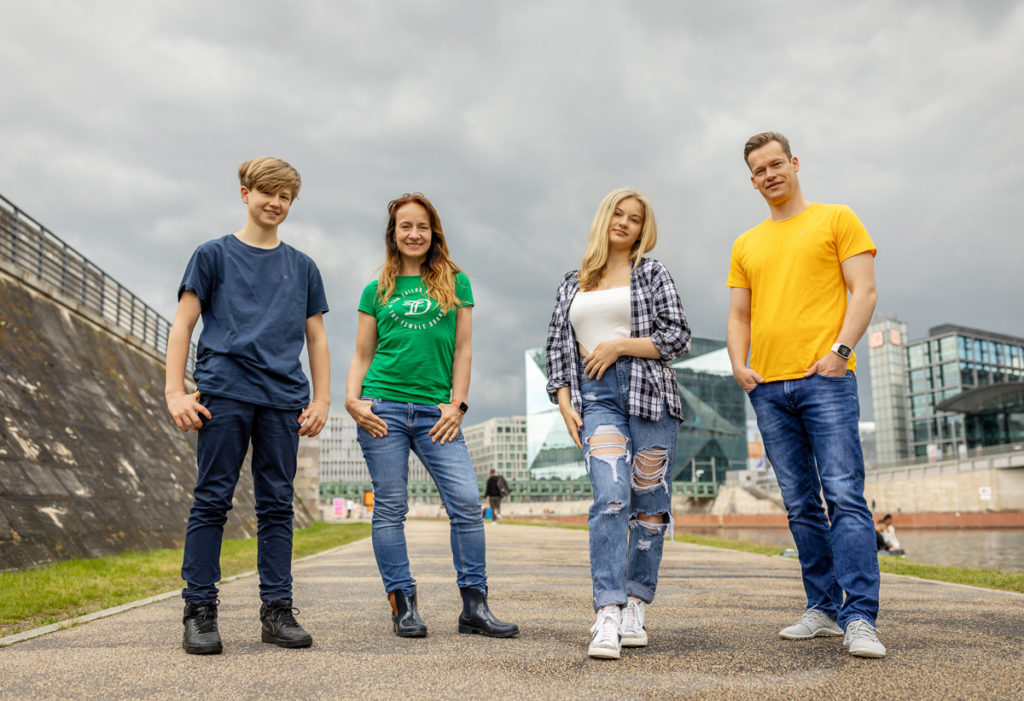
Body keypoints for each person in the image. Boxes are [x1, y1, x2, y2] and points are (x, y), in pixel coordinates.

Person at [726, 131, 885, 658]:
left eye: (777, 164)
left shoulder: (836, 218)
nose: (770, 174)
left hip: (826, 379)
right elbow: (739, 314)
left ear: (794, 163)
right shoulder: (746, 243)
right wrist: (738, 366)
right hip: (768, 388)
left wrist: (840, 351)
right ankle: (823, 608)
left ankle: (860, 616)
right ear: (752, 180)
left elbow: (864, 289)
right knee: (800, 504)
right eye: (759, 170)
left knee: (843, 495)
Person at [165, 157, 330, 655]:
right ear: (245, 193)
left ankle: (277, 611)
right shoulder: (212, 254)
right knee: (212, 501)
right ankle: (199, 611)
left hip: (282, 399)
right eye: (266, 193)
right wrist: (175, 392)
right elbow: (183, 324)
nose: (275, 203)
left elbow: (316, 339)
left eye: (285, 197)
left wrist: (321, 398)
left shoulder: (302, 267)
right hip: (225, 391)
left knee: (277, 506)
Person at [344, 193, 518, 639]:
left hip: (435, 413)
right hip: (381, 407)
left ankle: (474, 607)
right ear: (393, 233)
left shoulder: (456, 284)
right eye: (405, 226)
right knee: (390, 508)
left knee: (464, 503)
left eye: (421, 226)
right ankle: (403, 605)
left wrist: (458, 404)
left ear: (433, 232)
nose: (414, 234)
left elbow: (463, 349)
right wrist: (351, 399)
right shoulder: (375, 290)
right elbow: (363, 354)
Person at [545, 188, 690, 660]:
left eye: (635, 218)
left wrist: (619, 345)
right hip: (597, 397)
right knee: (610, 498)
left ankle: (634, 604)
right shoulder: (573, 281)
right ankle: (606, 611)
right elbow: (557, 348)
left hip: (650, 395)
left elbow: (677, 336)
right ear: (605, 217)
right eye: (618, 214)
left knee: (648, 504)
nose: (625, 223)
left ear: (642, 228)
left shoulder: (651, 272)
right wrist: (564, 401)